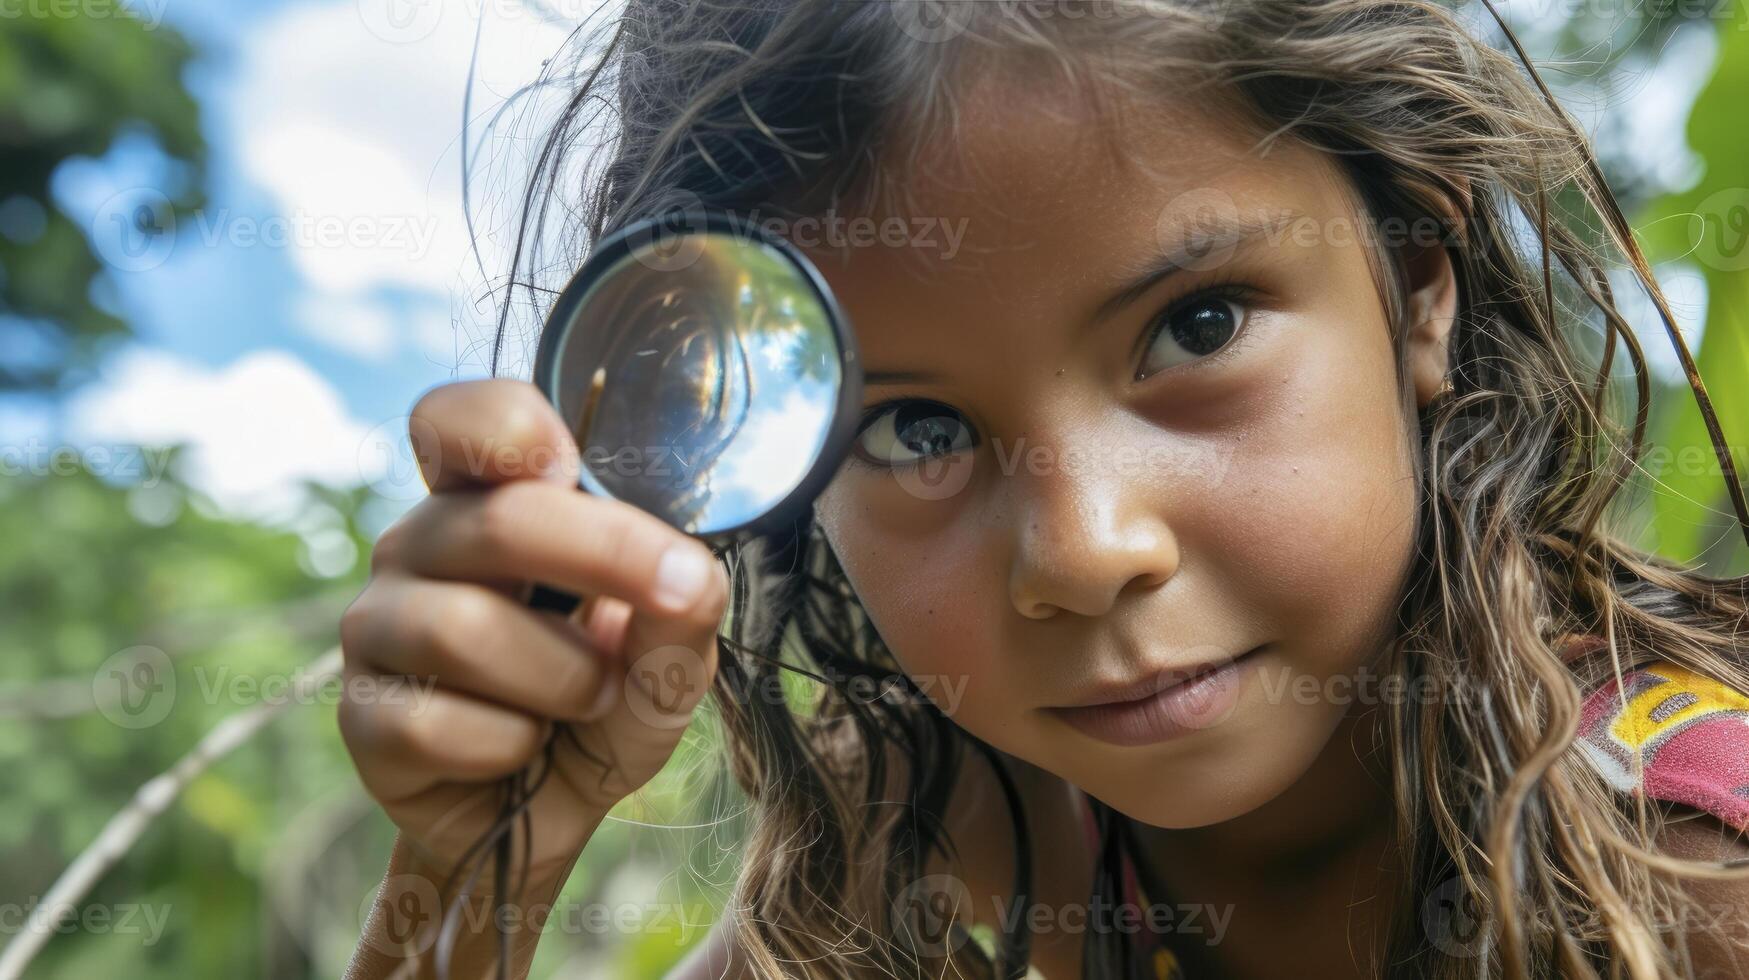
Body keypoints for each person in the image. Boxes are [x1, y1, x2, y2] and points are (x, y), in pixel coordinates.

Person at [338, 1, 1749, 977]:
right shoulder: (959, 803)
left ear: (1415, 282)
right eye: (910, 431)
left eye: (1196, 329)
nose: (1081, 550)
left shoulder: (1689, 886)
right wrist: (473, 884)